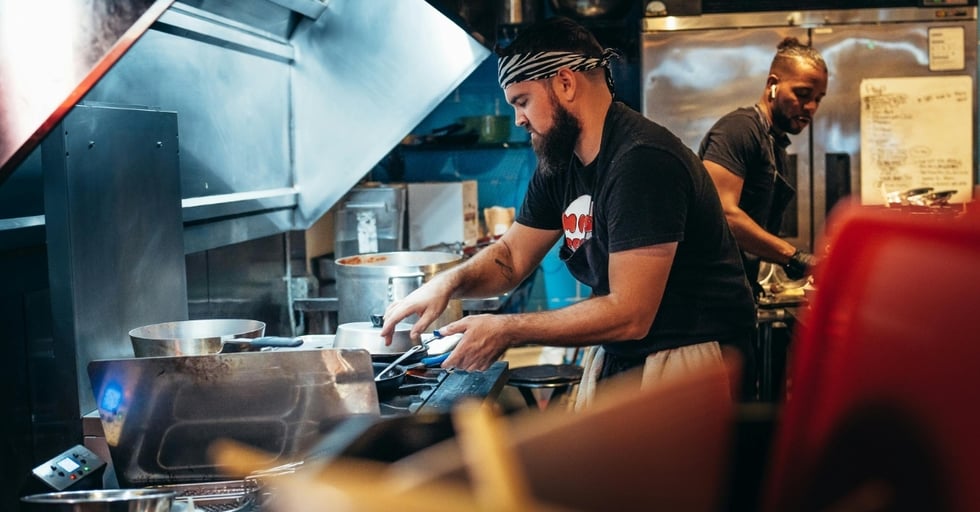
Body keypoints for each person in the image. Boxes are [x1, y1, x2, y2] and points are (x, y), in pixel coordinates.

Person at [381, 16, 757, 400]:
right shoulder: (562, 161)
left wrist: (507, 328)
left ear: (564, 82)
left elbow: (631, 313)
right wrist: (447, 284)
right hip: (630, 355)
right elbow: (511, 257)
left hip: (692, 362)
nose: (518, 119)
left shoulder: (642, 161)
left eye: (522, 101)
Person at [698, 37, 829, 296]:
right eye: (802, 94)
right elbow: (723, 213)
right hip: (707, 299)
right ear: (773, 85)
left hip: (735, 290)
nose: (811, 107)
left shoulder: (774, 142)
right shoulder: (739, 130)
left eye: (818, 98)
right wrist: (794, 257)